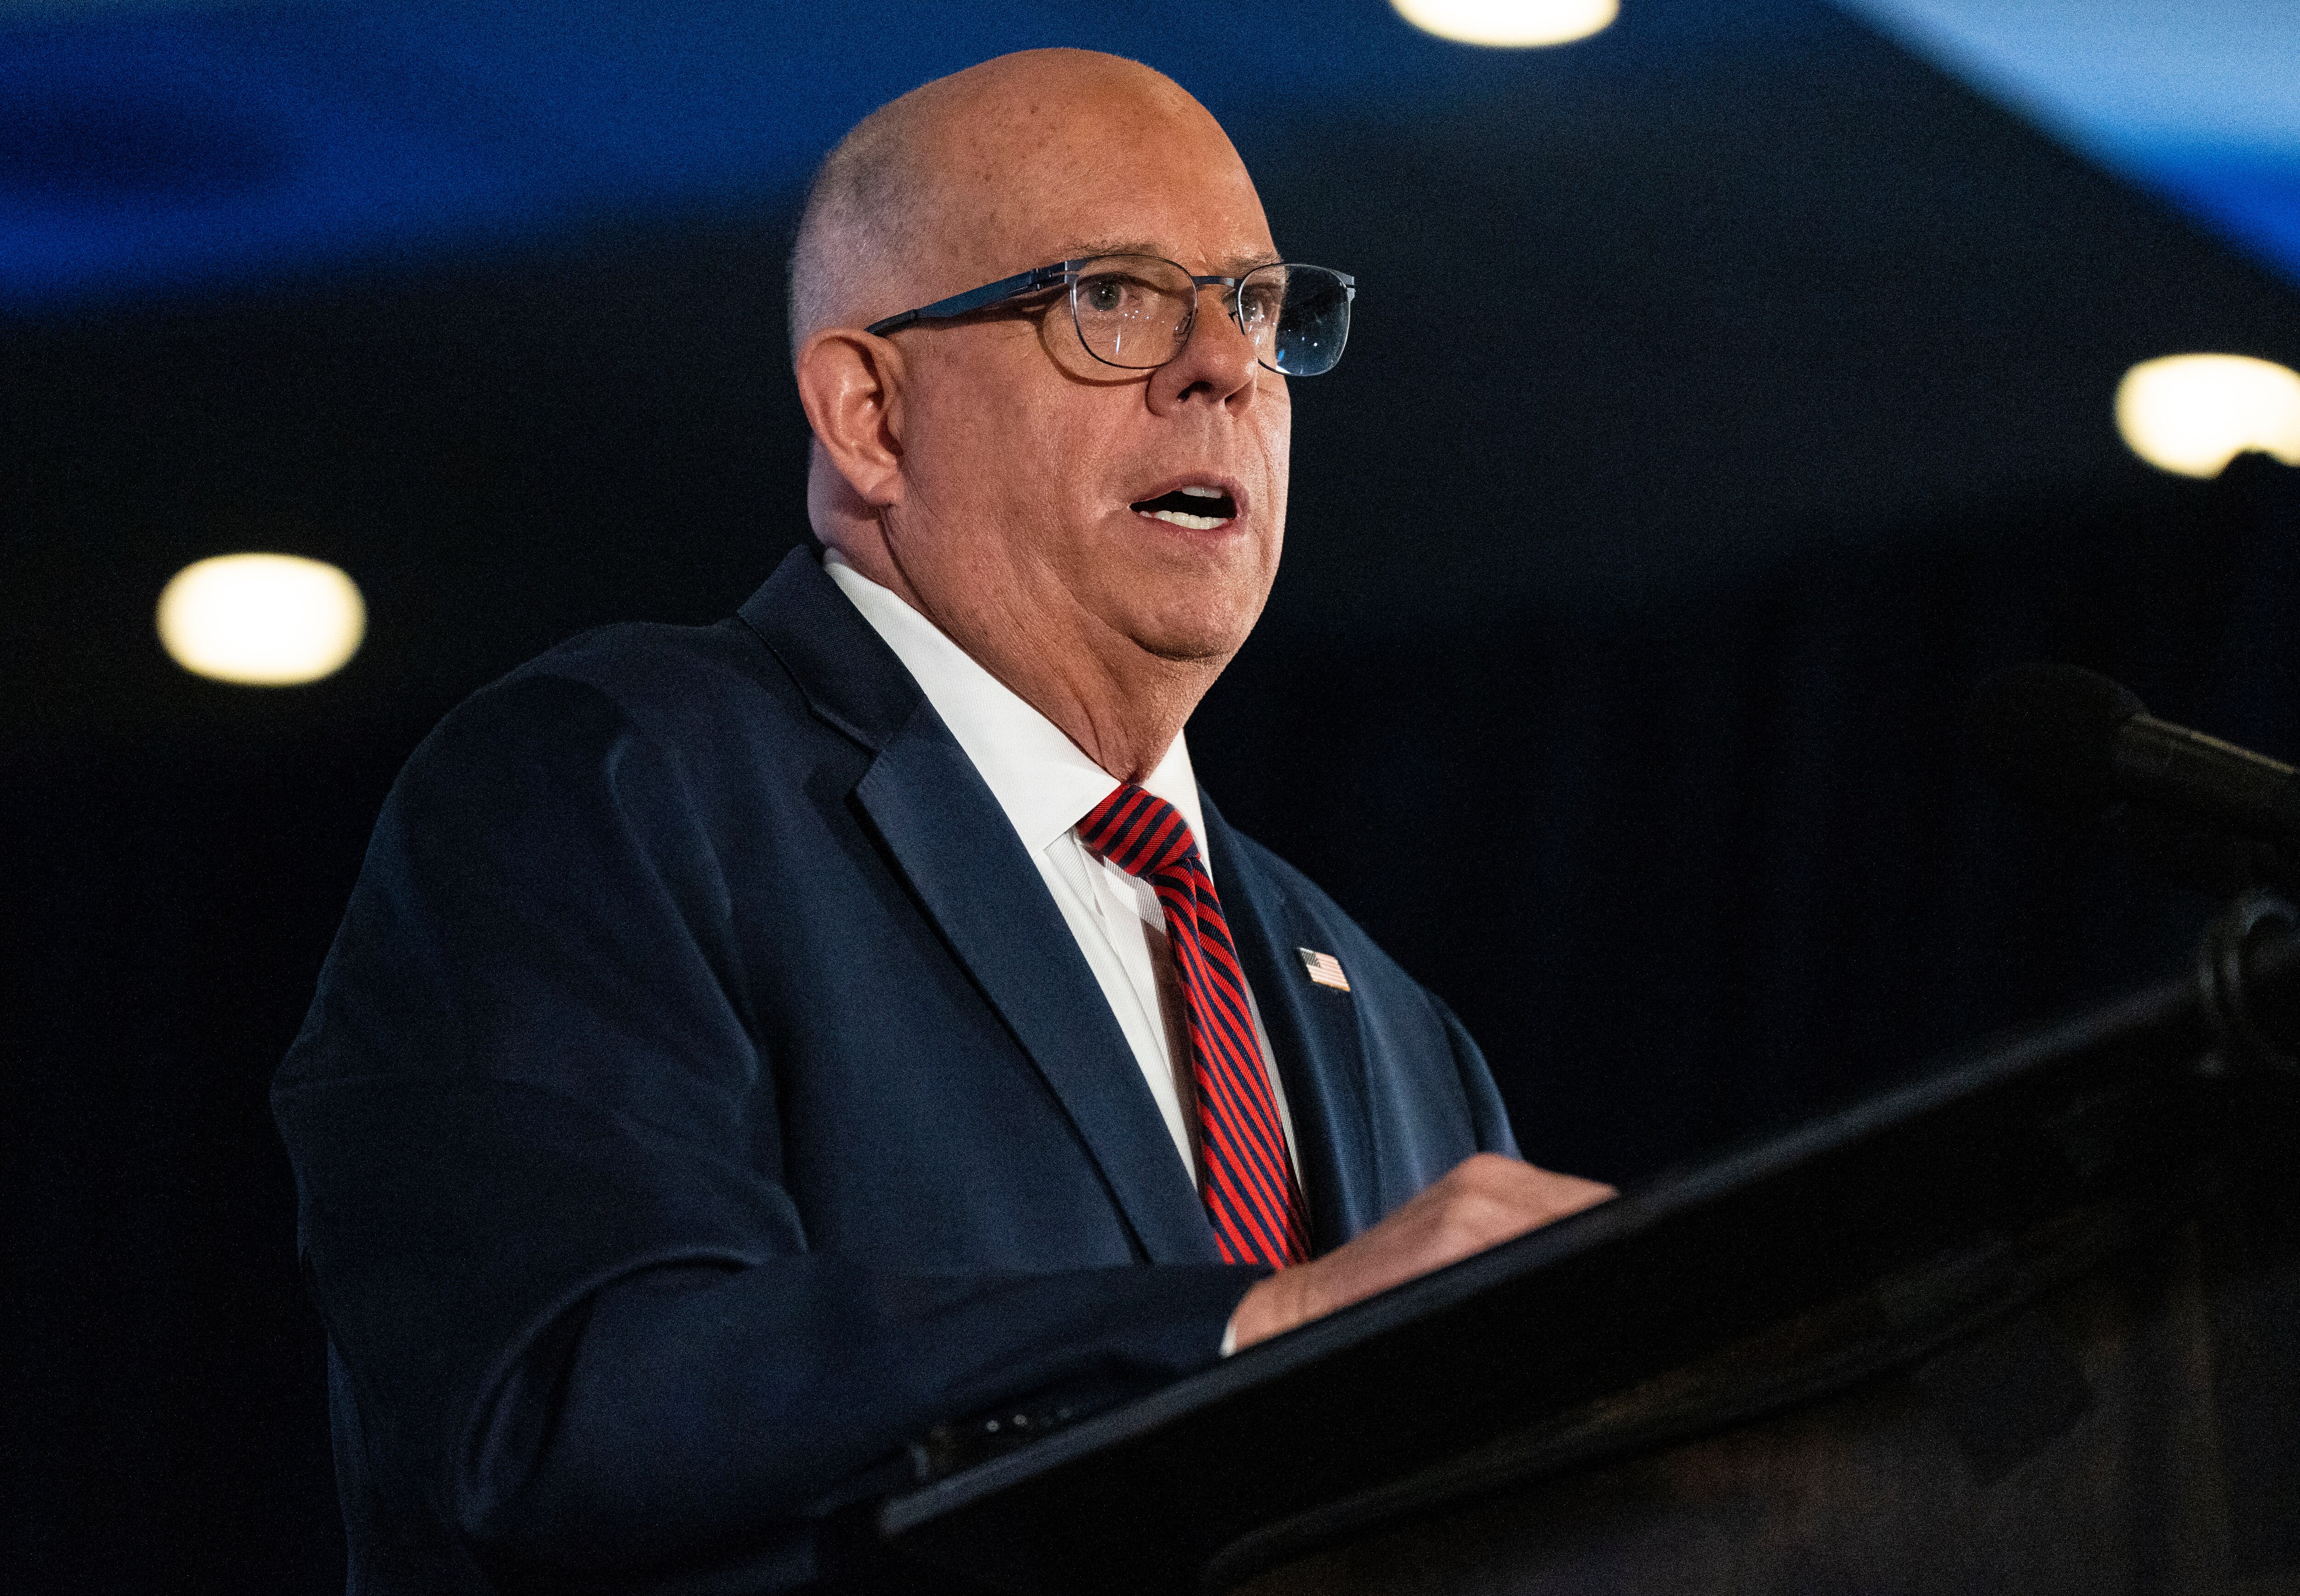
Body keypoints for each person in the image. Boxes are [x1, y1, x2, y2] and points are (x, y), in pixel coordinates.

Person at [274, 47, 1613, 1595]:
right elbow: (560, 1405)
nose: (1223, 370)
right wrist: (1249, 1335)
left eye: (1253, 304)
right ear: (868, 412)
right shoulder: (619, 786)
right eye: (1114, 299)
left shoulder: (1392, 1025)